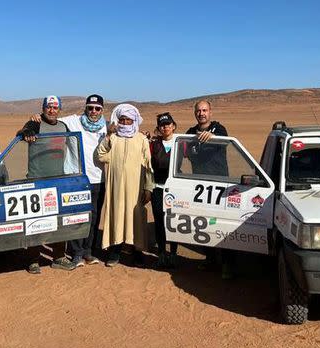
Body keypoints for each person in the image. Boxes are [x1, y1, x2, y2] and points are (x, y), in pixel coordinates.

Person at [30, 94, 108, 267]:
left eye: (97, 108)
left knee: (93, 217)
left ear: (102, 110)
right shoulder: (72, 122)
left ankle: (88, 251)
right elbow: (51, 118)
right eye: (90, 108)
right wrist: (35, 118)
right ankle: (76, 253)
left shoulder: (107, 126)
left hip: (98, 179)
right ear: (85, 108)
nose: (93, 111)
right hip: (75, 178)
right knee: (75, 217)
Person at [16, 95, 77, 274]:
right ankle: (33, 259)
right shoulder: (35, 123)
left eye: (55, 107)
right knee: (36, 221)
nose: (52, 110)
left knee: (60, 221)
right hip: (37, 180)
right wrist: (26, 131)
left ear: (59, 110)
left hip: (58, 180)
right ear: (43, 108)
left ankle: (59, 257)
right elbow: (21, 133)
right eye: (48, 107)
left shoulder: (63, 126)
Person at [95, 103, 154, 267]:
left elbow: (149, 166)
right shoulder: (113, 138)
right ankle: (114, 252)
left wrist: (148, 188)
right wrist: (107, 137)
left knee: (136, 220)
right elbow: (101, 156)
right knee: (117, 217)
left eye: (129, 120)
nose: (126, 123)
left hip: (136, 190)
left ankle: (137, 252)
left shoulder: (141, 139)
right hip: (117, 190)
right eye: (122, 119)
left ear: (134, 120)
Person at [185, 99, 234, 279]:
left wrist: (214, 139)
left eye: (204, 110)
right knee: (205, 223)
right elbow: (186, 152)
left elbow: (225, 142)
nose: (201, 113)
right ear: (195, 113)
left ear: (210, 112)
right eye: (198, 111)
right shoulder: (190, 133)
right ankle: (210, 258)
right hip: (200, 186)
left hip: (220, 185)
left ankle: (228, 263)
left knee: (223, 224)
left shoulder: (219, 130)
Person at [150, 112, 180, 268]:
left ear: (173, 126)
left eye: (168, 124)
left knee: (174, 221)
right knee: (159, 222)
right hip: (158, 189)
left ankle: (173, 253)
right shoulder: (153, 144)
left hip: (175, 190)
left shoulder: (182, 143)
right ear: (158, 128)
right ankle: (161, 253)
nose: (165, 127)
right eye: (162, 125)